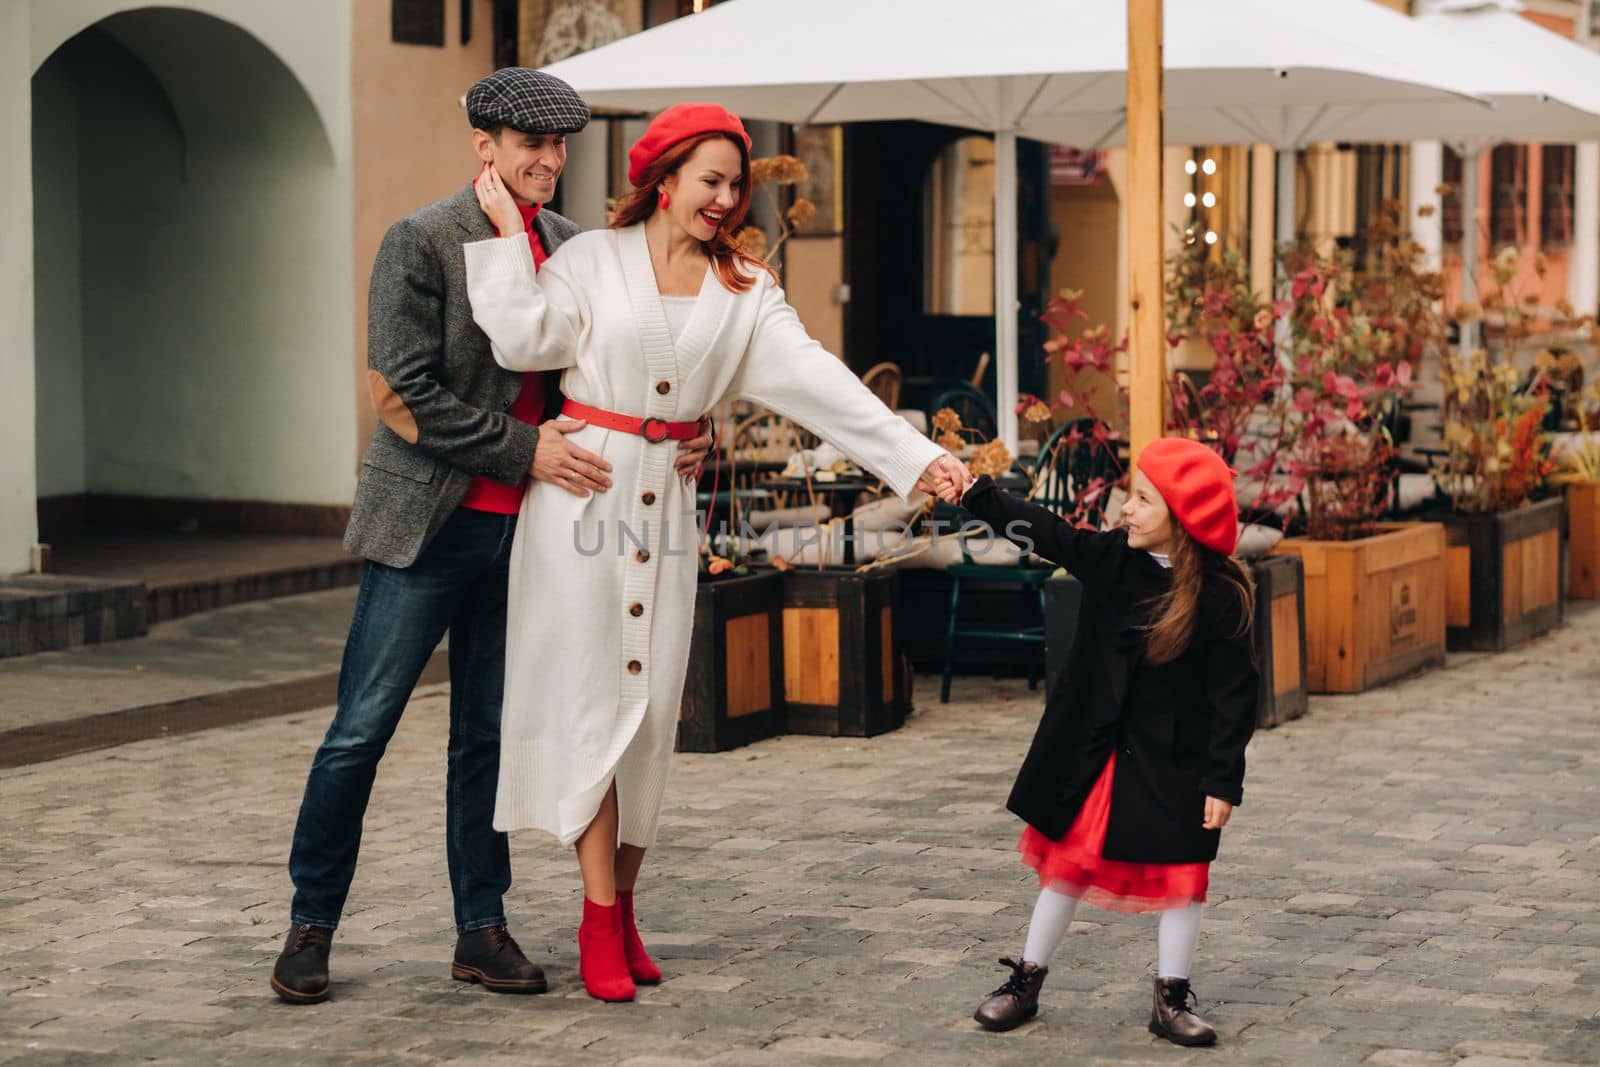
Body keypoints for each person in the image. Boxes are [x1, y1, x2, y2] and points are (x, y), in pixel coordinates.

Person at [464, 103, 967, 1002]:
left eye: (738, 184)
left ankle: (625, 907)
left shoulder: (746, 289)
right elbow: (522, 339)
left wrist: (917, 457)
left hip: (665, 510)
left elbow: (820, 383)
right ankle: (595, 917)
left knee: (651, 714)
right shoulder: (588, 261)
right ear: (664, 179)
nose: (729, 198)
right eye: (712, 180)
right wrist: (509, 234)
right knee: (593, 708)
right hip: (579, 501)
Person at [270, 69, 712, 1006]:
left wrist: (685, 425)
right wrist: (524, 451)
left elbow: (612, 364)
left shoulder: (575, 246)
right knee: (360, 729)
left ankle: (481, 929)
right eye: (529, 146)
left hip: (537, 541)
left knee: (487, 737)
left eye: (558, 147)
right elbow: (400, 391)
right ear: (486, 145)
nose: (548, 162)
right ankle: (311, 925)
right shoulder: (422, 240)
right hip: (427, 527)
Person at [936, 437, 1257, 1047]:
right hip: (1097, 749)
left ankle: (1171, 998)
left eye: (1141, 499)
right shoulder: (1114, 560)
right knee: (1066, 866)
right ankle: (1025, 980)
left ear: (1184, 517)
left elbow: (1235, 698)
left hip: (1177, 760)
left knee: (1184, 871)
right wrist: (977, 492)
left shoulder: (1222, 596)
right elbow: (1049, 533)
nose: (1125, 510)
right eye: (1127, 496)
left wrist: (1222, 780)